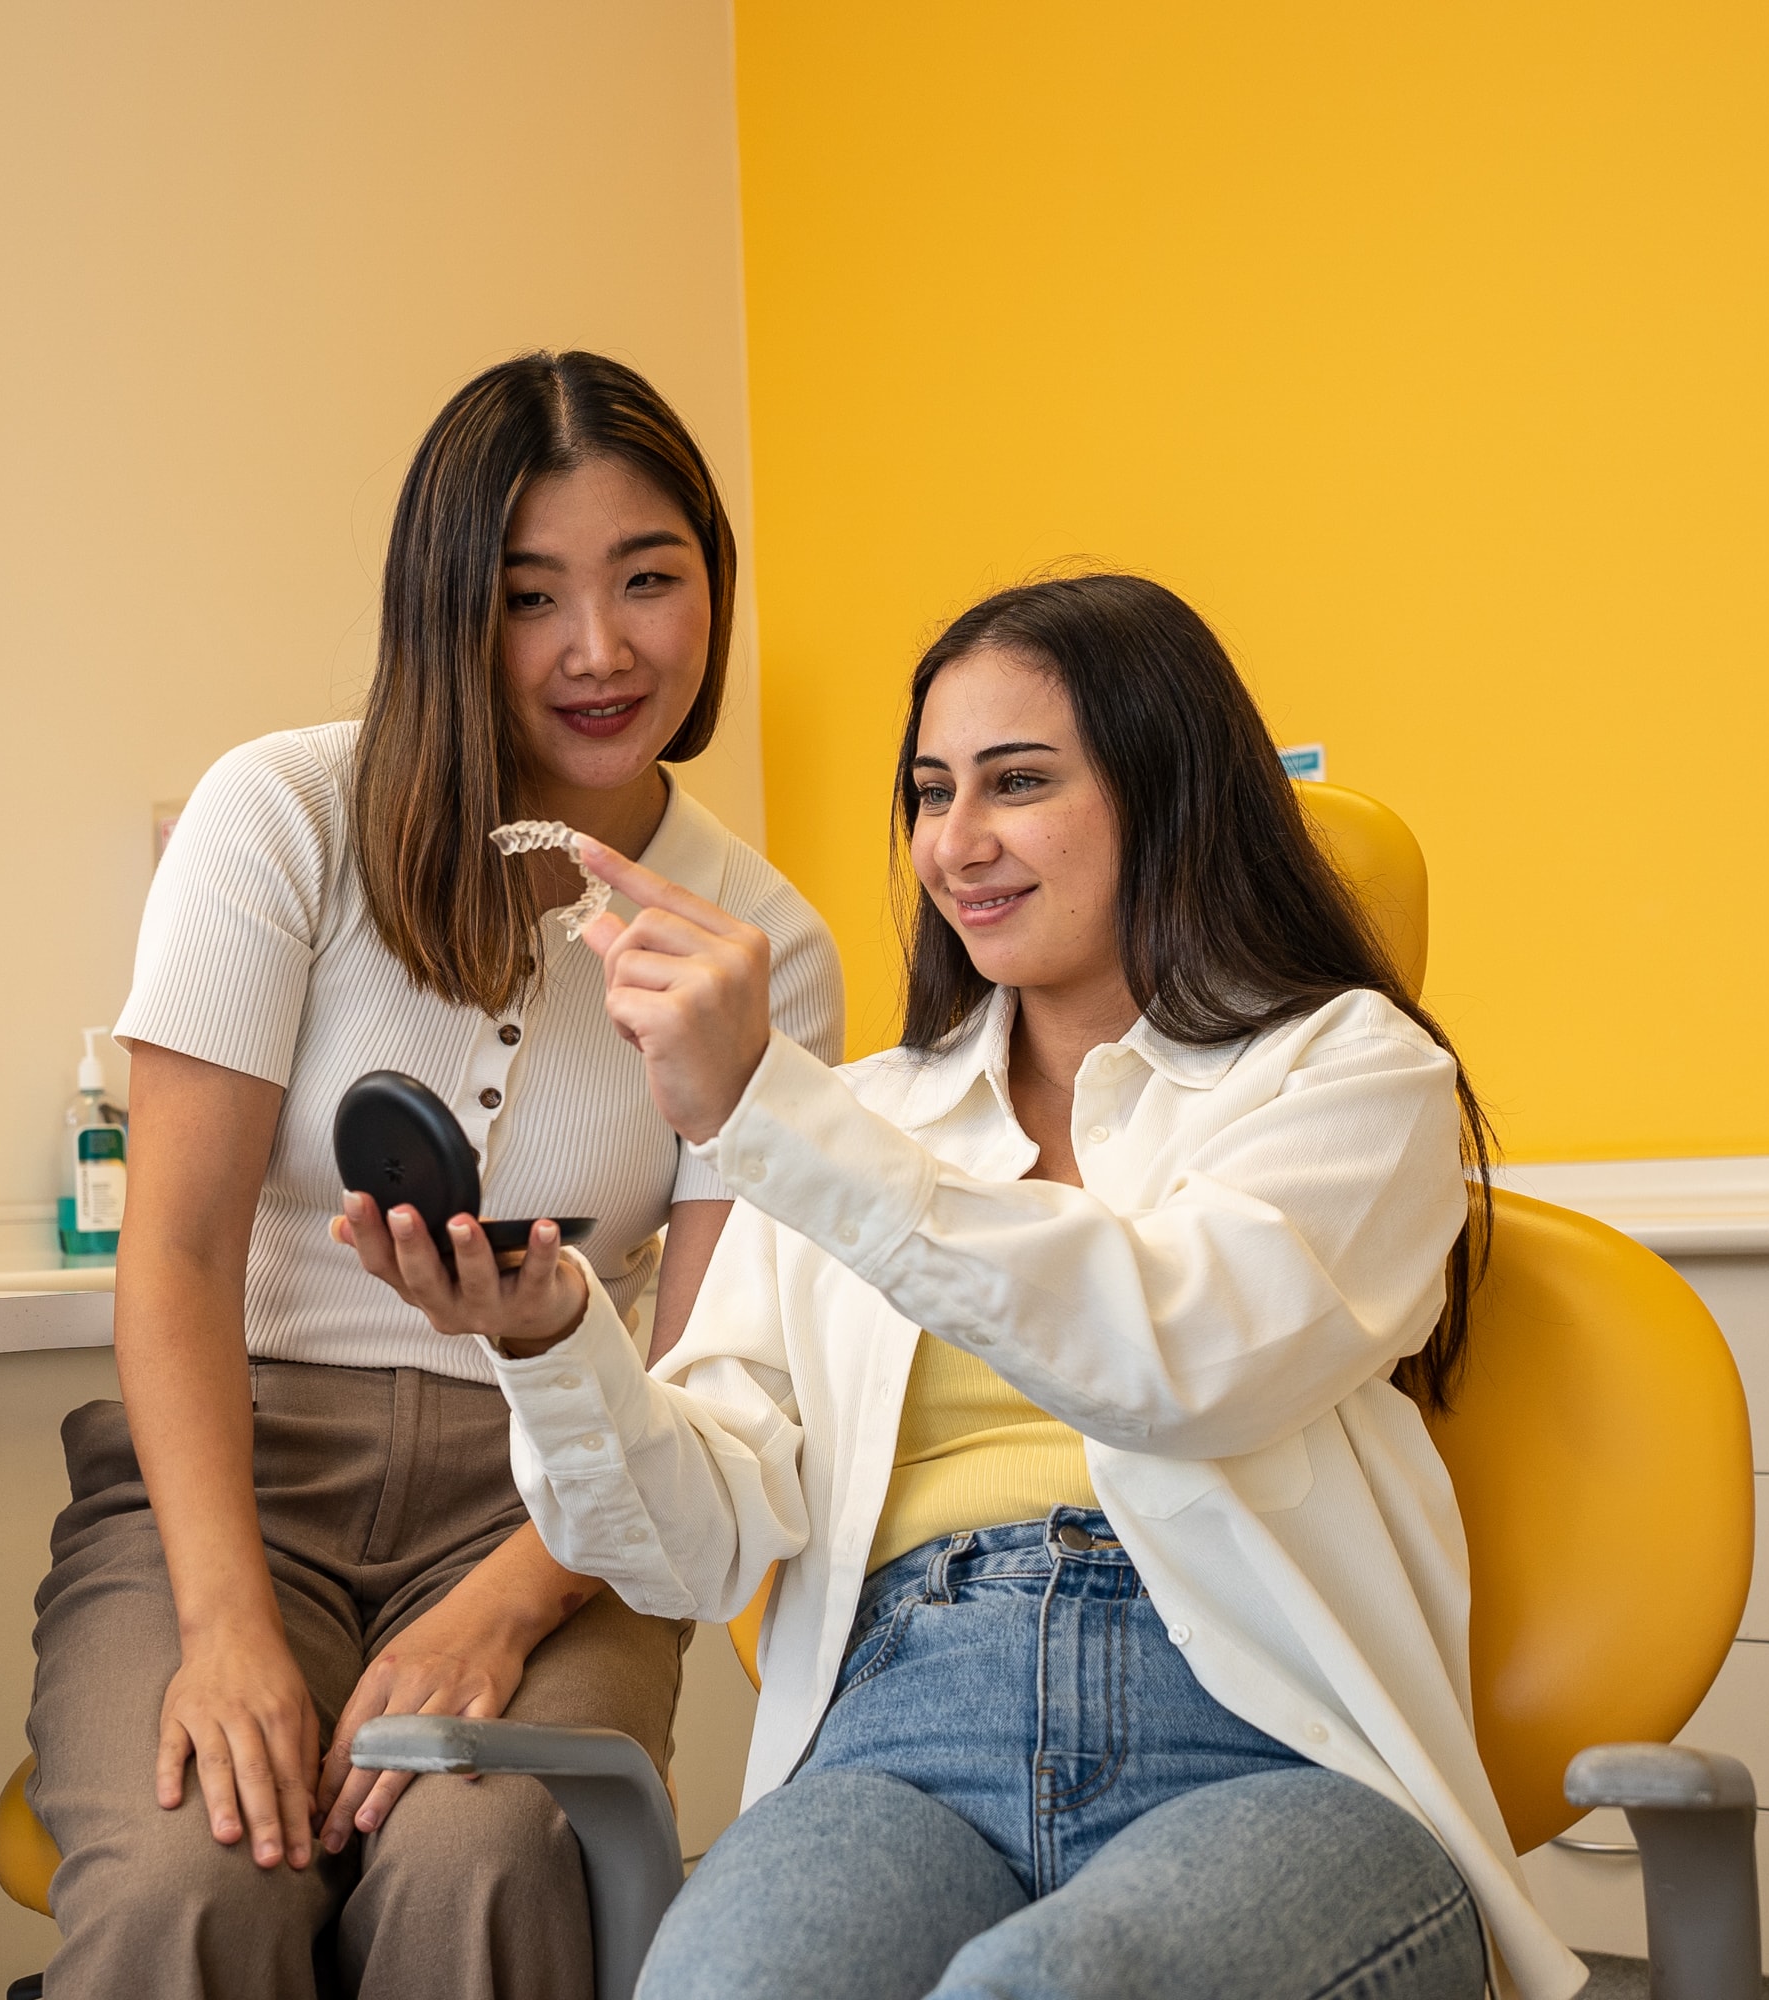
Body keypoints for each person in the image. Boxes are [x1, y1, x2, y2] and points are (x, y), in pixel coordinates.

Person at [375, 573, 1587, 1999]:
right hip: (901, 1736)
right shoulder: (849, 1122)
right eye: (929, 792)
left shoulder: (1350, 1075)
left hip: (1263, 1742)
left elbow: (1174, 1358)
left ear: (1171, 793)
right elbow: (694, 1544)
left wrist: (772, 1112)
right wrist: (557, 1339)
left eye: (1017, 783)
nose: (956, 846)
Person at [24, 350, 842, 2000]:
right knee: (201, 1882)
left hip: (560, 1493)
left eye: (648, 580)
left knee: (486, 1864)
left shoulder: (761, 950)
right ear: (446, 610)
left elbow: (692, 1371)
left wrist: (510, 1603)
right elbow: (173, 1258)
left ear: (714, 590)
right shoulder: (285, 818)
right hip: (241, 1468)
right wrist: (228, 1627)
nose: (599, 650)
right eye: (529, 595)